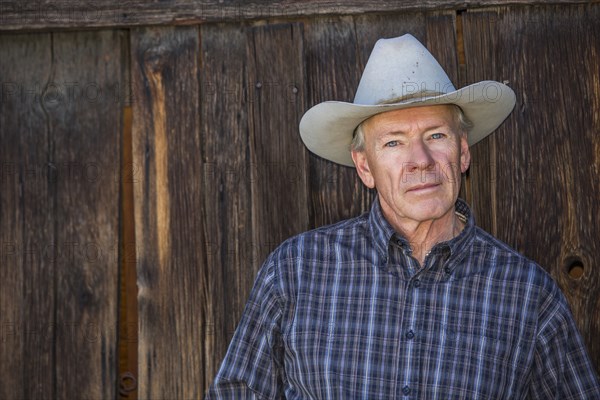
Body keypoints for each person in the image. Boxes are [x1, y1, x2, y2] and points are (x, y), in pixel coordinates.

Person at [205, 34, 600, 399]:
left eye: (436, 136)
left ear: (462, 152)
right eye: (394, 142)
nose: (421, 162)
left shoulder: (529, 295)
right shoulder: (296, 270)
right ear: (364, 167)